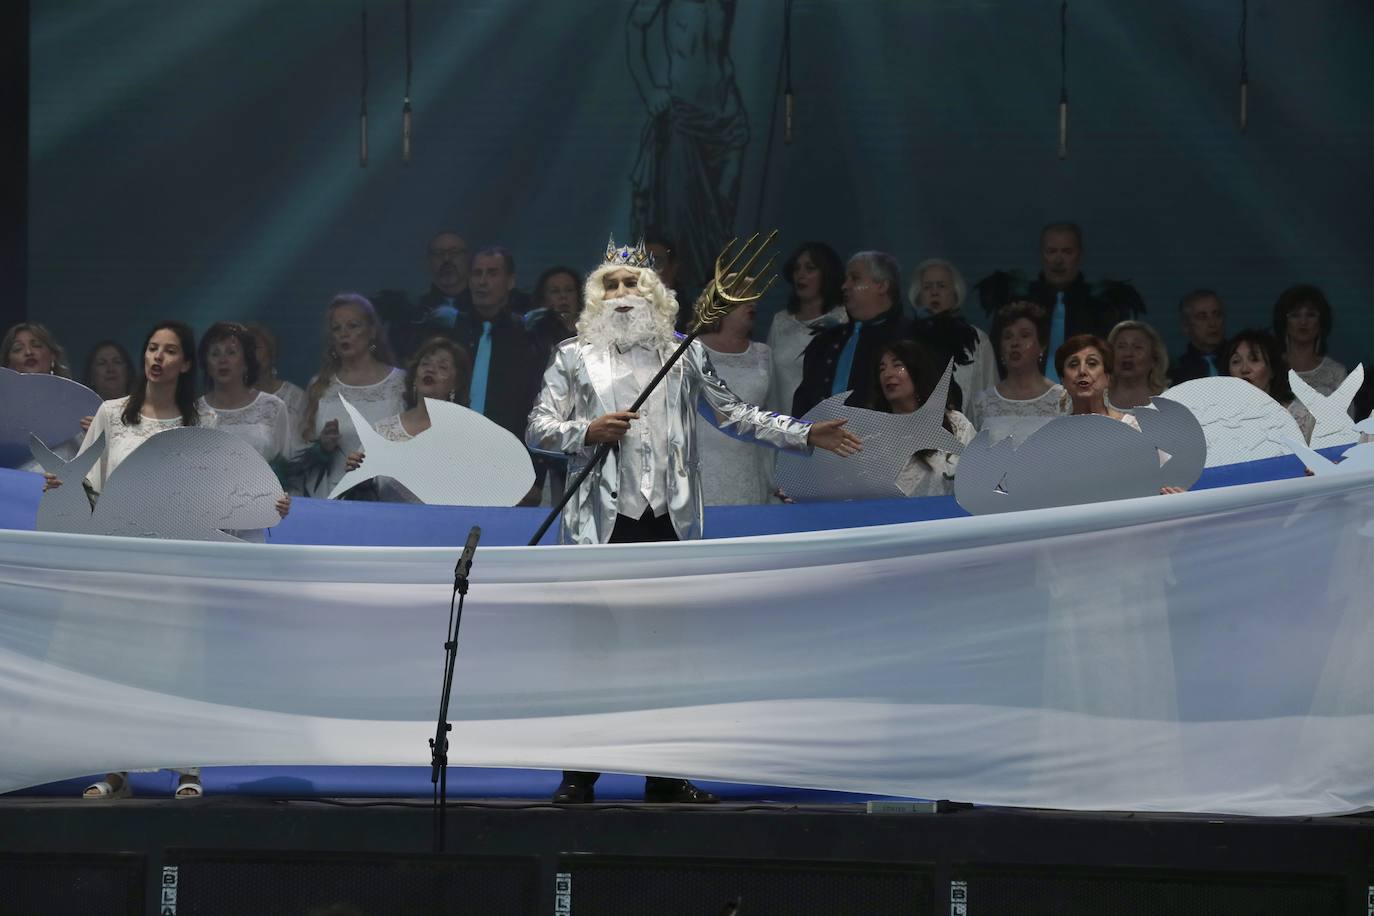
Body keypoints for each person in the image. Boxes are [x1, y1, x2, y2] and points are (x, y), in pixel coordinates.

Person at [526, 236, 861, 804]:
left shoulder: (685, 353)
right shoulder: (572, 355)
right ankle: (579, 774)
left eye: (633, 283)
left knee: (667, 651)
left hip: (667, 521)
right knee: (593, 653)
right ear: (596, 296)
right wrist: (586, 432)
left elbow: (734, 414)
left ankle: (665, 774)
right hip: (604, 521)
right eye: (612, 284)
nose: (623, 293)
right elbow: (537, 426)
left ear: (654, 292)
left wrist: (803, 433)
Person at [299, 294, 406, 498]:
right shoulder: (320, 385)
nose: (344, 334)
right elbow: (300, 455)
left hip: (383, 500)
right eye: (337, 328)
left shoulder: (400, 384)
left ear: (372, 331)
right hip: (329, 498)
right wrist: (322, 446)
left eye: (353, 326)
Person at [344, 337, 473, 503]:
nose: (431, 370)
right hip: (389, 524)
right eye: (425, 364)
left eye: (442, 367)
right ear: (414, 375)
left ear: (456, 383)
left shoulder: (468, 434)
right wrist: (360, 477)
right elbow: (363, 486)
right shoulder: (383, 430)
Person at [792, 250, 909, 417]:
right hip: (821, 441)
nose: (844, 286)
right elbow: (803, 404)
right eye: (846, 279)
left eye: (855, 278)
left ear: (882, 285)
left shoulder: (912, 337)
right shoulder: (825, 343)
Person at [1022, 223, 1143, 382]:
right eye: (1051, 251)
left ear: (1080, 254)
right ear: (1041, 254)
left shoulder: (1102, 309)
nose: (1058, 260)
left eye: (1067, 251)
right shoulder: (1020, 308)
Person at [449, 247, 543, 450]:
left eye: (492, 273)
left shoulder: (528, 338)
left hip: (510, 452)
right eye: (477, 273)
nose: (482, 282)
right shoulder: (451, 334)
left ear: (510, 281)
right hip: (450, 447)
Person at [696, 291, 774, 505]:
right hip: (701, 469)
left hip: (749, 466)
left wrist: (774, 478)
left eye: (755, 297)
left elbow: (773, 413)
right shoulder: (690, 350)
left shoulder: (763, 353)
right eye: (744, 297)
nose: (753, 303)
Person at [869, 340, 975, 497]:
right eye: (882, 369)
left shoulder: (956, 424)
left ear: (917, 371)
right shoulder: (873, 435)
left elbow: (977, 479)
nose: (887, 374)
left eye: (897, 365)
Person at [196, 321, 293, 473]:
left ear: (246, 361)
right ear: (206, 363)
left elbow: (287, 467)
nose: (223, 360)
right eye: (215, 354)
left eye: (231, 352)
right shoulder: (195, 411)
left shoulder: (273, 407)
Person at [765, 242, 847, 414]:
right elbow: (769, 381)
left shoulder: (843, 319)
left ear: (826, 274)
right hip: (783, 428)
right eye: (797, 269)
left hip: (827, 427)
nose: (800, 275)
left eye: (809, 269)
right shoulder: (780, 322)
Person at [966, 301, 1069, 438]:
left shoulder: (1062, 399)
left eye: (1024, 335)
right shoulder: (980, 402)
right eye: (1008, 337)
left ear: (1042, 345)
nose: (1015, 343)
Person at [907, 258, 996, 410]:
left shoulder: (977, 338)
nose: (934, 293)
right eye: (927, 287)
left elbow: (990, 391)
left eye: (941, 286)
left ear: (955, 293)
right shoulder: (906, 339)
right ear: (918, 295)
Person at [1222, 328, 1314, 440]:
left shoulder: (1300, 417)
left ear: (1272, 370)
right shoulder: (1220, 419)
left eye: (1254, 359)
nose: (1244, 369)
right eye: (1236, 361)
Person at [1273, 284, 1346, 396]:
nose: (1303, 322)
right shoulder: (1270, 368)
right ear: (1284, 322)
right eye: (1295, 315)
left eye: (1311, 315)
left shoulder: (1336, 373)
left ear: (1321, 322)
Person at [245, 322, 307, 436]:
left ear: (272, 353)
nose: (251, 354)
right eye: (246, 349)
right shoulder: (234, 399)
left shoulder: (295, 397)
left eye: (256, 347)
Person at [524, 266, 584, 363]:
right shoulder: (536, 336)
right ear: (544, 299)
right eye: (555, 291)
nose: (563, 296)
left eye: (569, 290)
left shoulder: (592, 331)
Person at [1106, 320, 1169, 409]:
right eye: (1121, 346)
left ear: (1154, 359)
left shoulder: (1169, 401)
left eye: (1137, 347)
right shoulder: (1093, 400)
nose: (1128, 353)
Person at [1170, 289, 1227, 383]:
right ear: (1185, 326)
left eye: (1217, 315)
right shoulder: (1176, 370)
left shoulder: (1239, 363)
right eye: (1202, 317)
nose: (1212, 323)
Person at [3, 321, 70, 377]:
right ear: (8, 364)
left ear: (52, 356)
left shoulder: (71, 391)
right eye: (18, 348)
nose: (28, 352)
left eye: (36, 345)